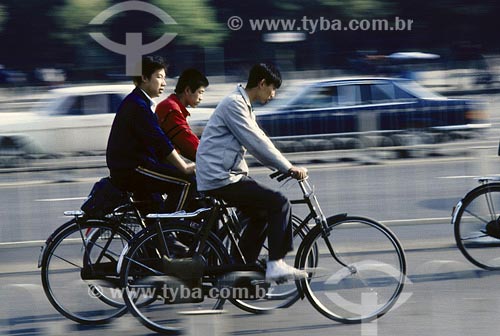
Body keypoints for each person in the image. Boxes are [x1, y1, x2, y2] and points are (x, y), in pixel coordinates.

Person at [196, 63, 308, 281]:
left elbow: (260, 139)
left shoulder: (243, 105)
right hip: (219, 177)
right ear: (262, 83)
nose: (273, 95)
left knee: (261, 214)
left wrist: (283, 166)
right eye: (273, 89)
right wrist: (288, 167)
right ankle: (276, 263)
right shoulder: (234, 104)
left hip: (224, 174)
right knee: (279, 203)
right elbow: (256, 142)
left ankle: (240, 272)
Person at [106, 55, 196, 213]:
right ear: (144, 78)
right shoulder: (138, 106)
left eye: (164, 77)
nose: (164, 83)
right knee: (186, 182)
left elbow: (158, 143)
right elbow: (160, 141)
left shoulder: (139, 102)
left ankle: (158, 235)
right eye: (159, 77)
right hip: (132, 169)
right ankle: (168, 232)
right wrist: (183, 167)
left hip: (132, 166)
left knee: (156, 208)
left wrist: (178, 163)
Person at [155, 68, 209, 162]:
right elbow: (190, 146)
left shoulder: (171, 105)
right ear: (187, 90)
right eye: (200, 92)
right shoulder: (172, 110)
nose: (201, 98)